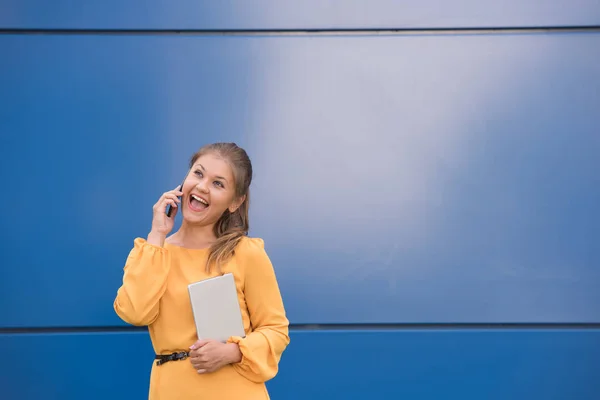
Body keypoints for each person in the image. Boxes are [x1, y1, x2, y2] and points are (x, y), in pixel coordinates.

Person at [113, 142, 290, 400]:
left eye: (218, 184)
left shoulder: (246, 253)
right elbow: (134, 312)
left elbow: (276, 330)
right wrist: (157, 234)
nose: (202, 186)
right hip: (171, 391)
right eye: (198, 173)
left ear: (235, 202)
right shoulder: (152, 251)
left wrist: (232, 352)